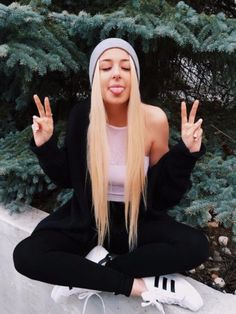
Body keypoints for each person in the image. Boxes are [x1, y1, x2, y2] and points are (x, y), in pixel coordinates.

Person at [13, 38, 209, 313]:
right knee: (26, 256)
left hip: (136, 220)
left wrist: (186, 153)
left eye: (125, 67)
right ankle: (142, 286)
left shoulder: (153, 119)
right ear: (96, 77)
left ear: (135, 77)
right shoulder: (83, 116)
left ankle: (89, 275)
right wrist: (45, 146)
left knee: (196, 246)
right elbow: (68, 178)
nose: (116, 73)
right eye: (106, 67)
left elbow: (164, 197)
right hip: (87, 219)